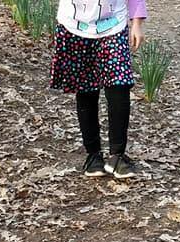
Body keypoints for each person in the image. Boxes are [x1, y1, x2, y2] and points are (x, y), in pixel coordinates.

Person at [50, 0, 147, 178]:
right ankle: (93, 156)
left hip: (113, 24)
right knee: (86, 89)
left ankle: (117, 156)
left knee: (120, 85)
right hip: (74, 24)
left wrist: (137, 23)